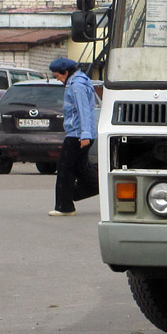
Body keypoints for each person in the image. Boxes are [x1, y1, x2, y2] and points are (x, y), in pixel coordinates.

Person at [48, 57, 99, 217]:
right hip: (80, 133)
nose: (58, 79)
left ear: (66, 72)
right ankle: (98, 187)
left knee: (65, 168)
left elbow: (83, 110)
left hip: (77, 134)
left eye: (58, 76)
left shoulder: (77, 85)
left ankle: (65, 206)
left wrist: (85, 135)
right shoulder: (78, 82)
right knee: (81, 168)